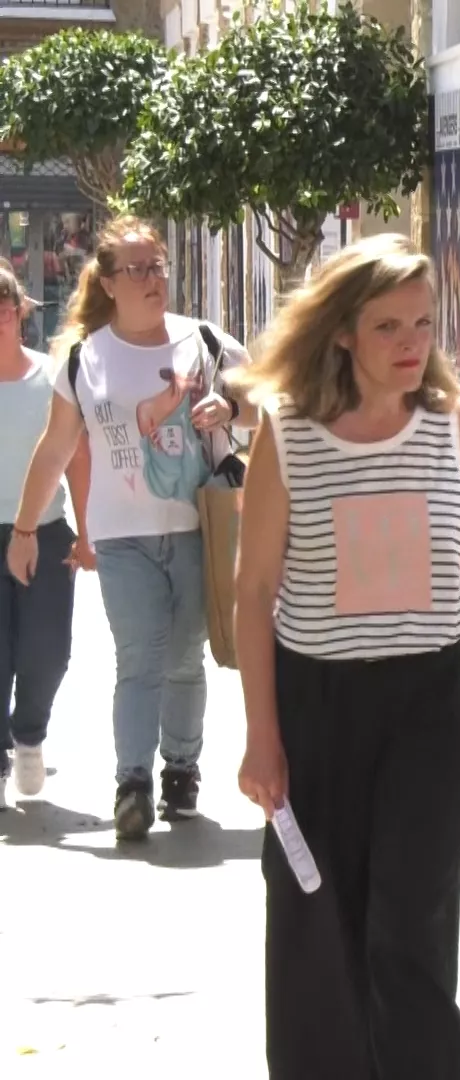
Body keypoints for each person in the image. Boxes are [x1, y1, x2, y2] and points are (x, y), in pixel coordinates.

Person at [228, 233, 460, 1080]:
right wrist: (262, 737)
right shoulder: (290, 434)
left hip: (435, 703)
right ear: (342, 331)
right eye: (389, 326)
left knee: (410, 925)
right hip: (319, 705)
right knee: (317, 918)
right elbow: (252, 592)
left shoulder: (459, 426)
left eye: (423, 322)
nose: (414, 343)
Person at [7, 215, 255, 840]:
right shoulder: (87, 359)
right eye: (138, 270)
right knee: (138, 656)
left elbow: (261, 405)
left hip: (197, 525)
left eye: (159, 267)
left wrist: (229, 406)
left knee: (183, 657)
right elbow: (56, 446)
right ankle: (133, 783)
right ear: (110, 282)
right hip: (121, 538)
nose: (153, 280)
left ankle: (181, 768)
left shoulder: (203, 340)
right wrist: (27, 527)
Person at [0, 263, 91, 808]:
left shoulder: (48, 379)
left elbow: (76, 457)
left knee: (48, 652)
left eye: (6, 308)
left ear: (19, 314)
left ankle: (29, 735)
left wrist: (88, 531)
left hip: (47, 531)